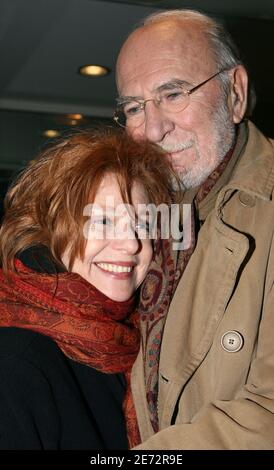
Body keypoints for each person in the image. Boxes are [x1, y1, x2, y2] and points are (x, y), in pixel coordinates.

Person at [115, 9, 274, 449]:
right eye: (133, 107)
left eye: (173, 93)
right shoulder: (135, 212)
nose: (151, 129)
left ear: (235, 93)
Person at [0, 129, 175, 449]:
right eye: (104, 222)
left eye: (143, 225)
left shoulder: (137, 341)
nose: (132, 244)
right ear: (49, 228)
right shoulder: (14, 361)